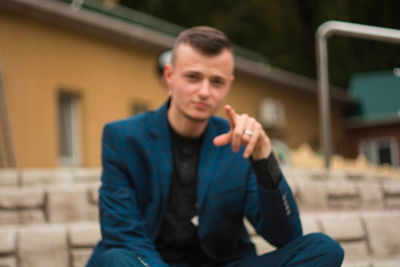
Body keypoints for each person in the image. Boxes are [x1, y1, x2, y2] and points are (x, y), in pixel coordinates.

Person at [86, 26, 344, 267]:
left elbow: (285, 236)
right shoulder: (123, 137)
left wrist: (264, 157)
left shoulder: (241, 142)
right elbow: (123, 235)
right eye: (193, 77)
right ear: (169, 76)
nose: (204, 91)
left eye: (216, 82)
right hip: (146, 263)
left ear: (228, 85)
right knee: (116, 259)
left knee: (324, 249)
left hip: (223, 263)